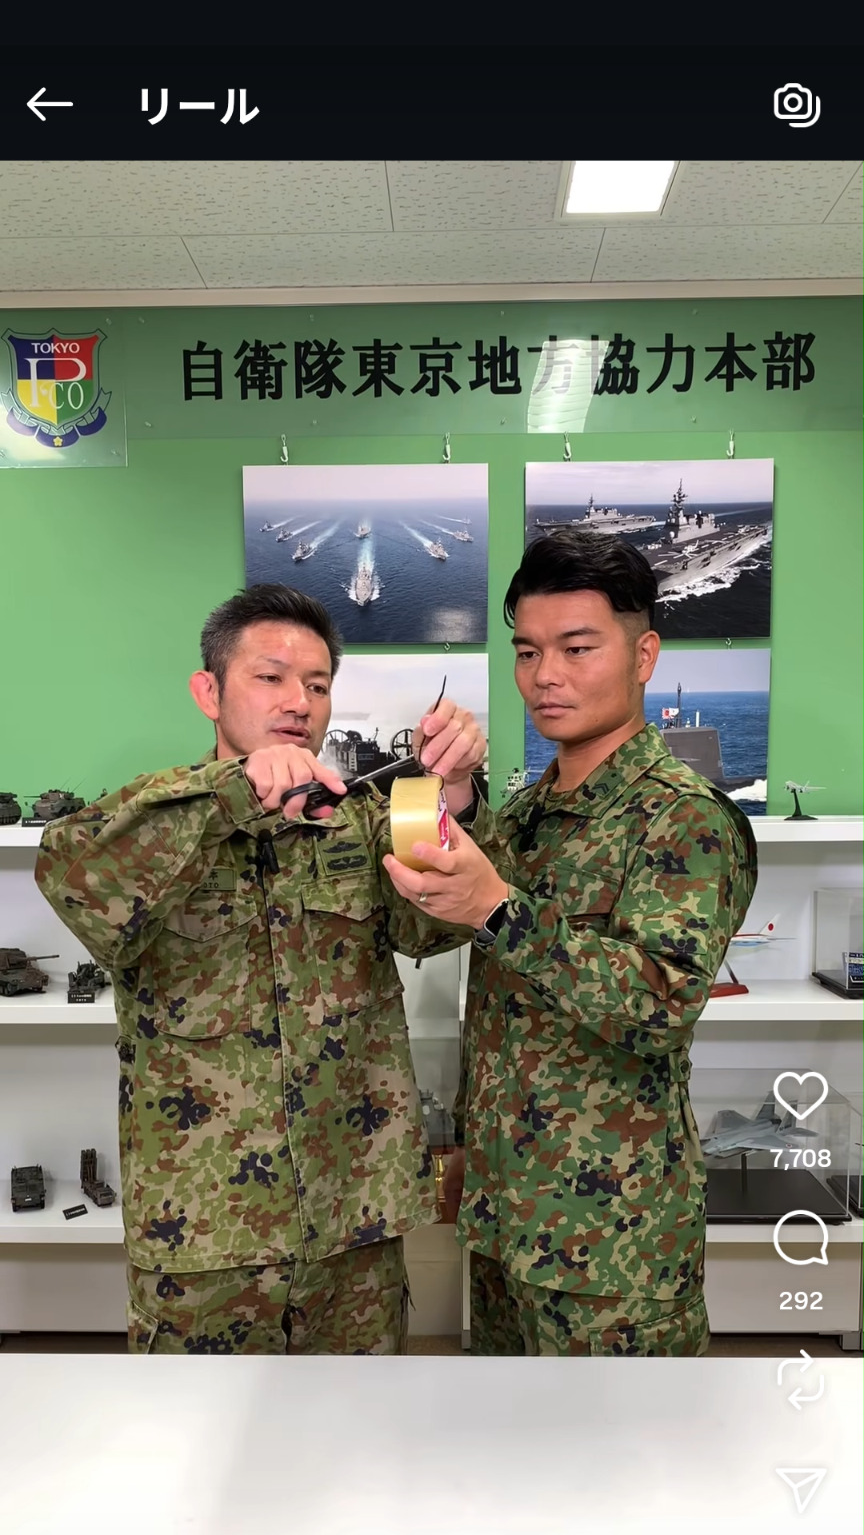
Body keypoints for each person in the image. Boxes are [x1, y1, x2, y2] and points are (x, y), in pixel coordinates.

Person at [35, 585, 485, 1355]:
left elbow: (434, 924)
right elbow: (80, 885)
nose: (298, 702)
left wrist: (456, 791)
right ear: (208, 692)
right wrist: (234, 792)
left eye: (317, 685)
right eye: (270, 677)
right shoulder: (154, 819)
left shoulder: (360, 821)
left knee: (357, 1418)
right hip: (206, 1229)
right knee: (195, 1423)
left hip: (353, 1217)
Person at [384, 531, 758, 1356]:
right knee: (509, 1431)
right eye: (527, 652)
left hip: (612, 1242)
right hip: (505, 1217)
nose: (545, 675)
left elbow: (660, 1004)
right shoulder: (529, 811)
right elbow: (429, 928)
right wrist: (454, 797)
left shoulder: (684, 817)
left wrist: (499, 907)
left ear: (643, 655)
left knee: (623, 1439)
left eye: (577, 648)